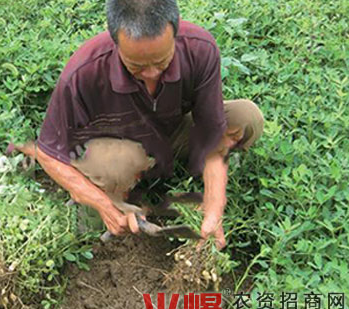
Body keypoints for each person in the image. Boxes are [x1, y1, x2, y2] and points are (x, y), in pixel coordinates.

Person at [34, 0, 264, 249]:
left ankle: (183, 176)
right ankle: (112, 208)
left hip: (171, 133)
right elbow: (48, 154)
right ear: (115, 42)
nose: (152, 73)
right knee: (104, 181)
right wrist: (103, 204)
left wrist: (214, 203)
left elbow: (213, 133)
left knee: (245, 118)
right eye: (137, 66)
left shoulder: (199, 49)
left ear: (175, 34)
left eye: (162, 61)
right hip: (120, 152)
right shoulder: (83, 73)